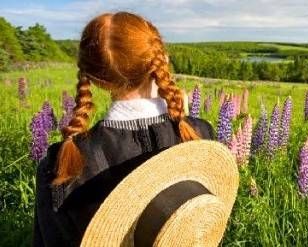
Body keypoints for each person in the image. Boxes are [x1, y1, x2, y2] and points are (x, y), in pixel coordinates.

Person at [33, 12, 215, 246]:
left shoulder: (61, 165)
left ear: (95, 79)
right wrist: (187, 122)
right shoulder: (202, 135)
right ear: (162, 60)